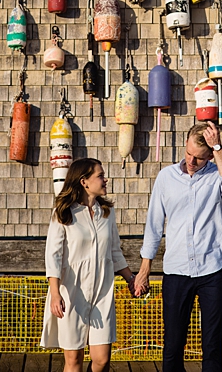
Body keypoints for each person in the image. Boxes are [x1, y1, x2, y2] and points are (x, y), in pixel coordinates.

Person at [134, 120, 222, 372]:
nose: (192, 161)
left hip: (212, 270)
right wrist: (144, 269)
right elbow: (153, 224)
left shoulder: (218, 174)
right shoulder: (166, 177)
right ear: (185, 145)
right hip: (176, 270)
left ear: (210, 157)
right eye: (189, 154)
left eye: (200, 158)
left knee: (212, 345)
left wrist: (218, 148)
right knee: (172, 344)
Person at [40, 158, 147, 372]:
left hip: (102, 293)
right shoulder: (63, 212)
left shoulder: (106, 213)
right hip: (71, 292)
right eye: (100, 175)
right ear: (84, 182)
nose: (105, 179)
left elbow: (115, 251)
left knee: (102, 359)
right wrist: (55, 294)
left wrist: (131, 279)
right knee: (74, 360)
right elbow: (53, 255)